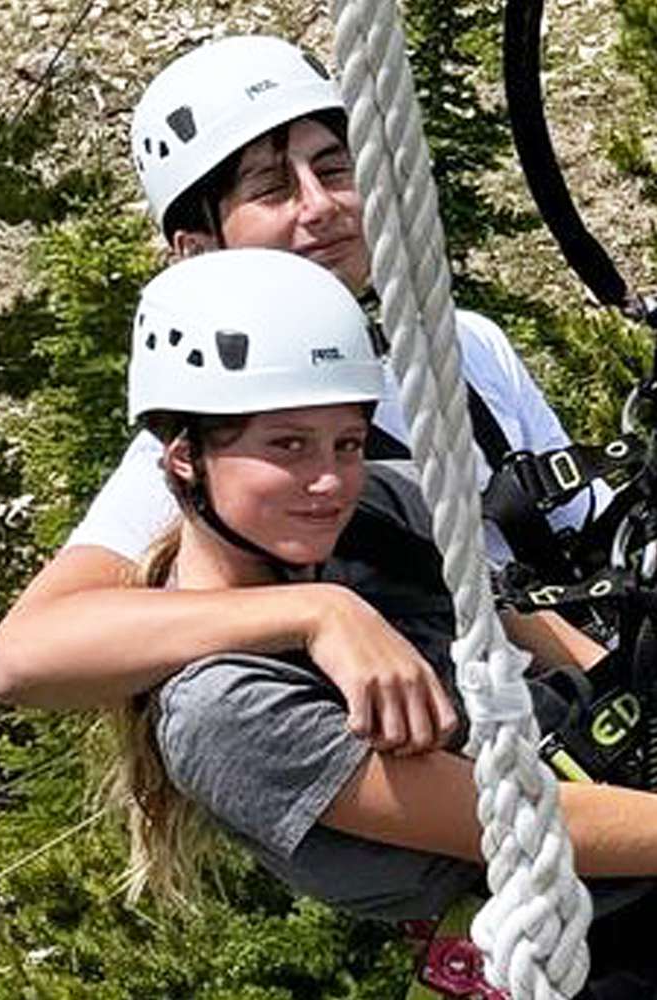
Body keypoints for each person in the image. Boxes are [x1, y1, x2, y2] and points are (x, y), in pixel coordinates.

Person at [0, 34, 605, 744]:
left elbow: (580, 531)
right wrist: (318, 613)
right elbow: (26, 654)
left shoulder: (463, 347)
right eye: (273, 188)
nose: (321, 206)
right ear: (198, 248)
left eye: (335, 169)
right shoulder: (212, 446)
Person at [116, 248, 657, 997]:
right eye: (287, 446)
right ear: (184, 458)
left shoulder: (376, 516)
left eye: (348, 442)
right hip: (587, 936)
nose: (329, 480)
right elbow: (514, 827)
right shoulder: (222, 710)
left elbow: (562, 649)